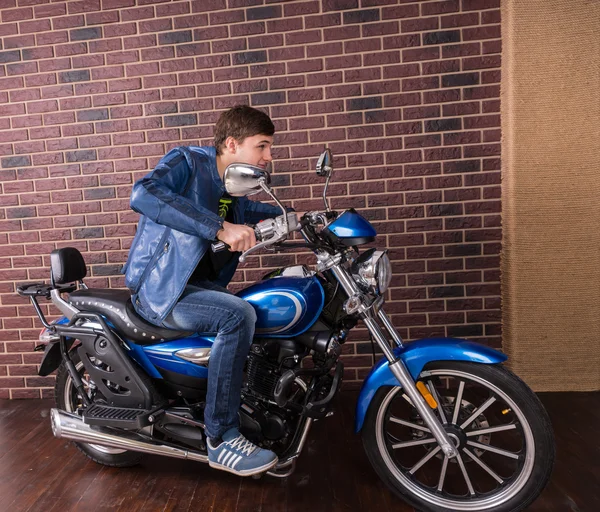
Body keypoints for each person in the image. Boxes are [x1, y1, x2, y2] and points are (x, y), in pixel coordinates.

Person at [122, 105, 285, 476]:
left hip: (200, 286)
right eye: (262, 146)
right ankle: (222, 437)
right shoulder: (188, 162)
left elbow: (248, 213)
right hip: (163, 289)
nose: (268, 156)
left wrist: (298, 217)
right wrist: (218, 227)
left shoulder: (233, 188)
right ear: (232, 143)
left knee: (260, 303)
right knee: (237, 314)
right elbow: (144, 193)